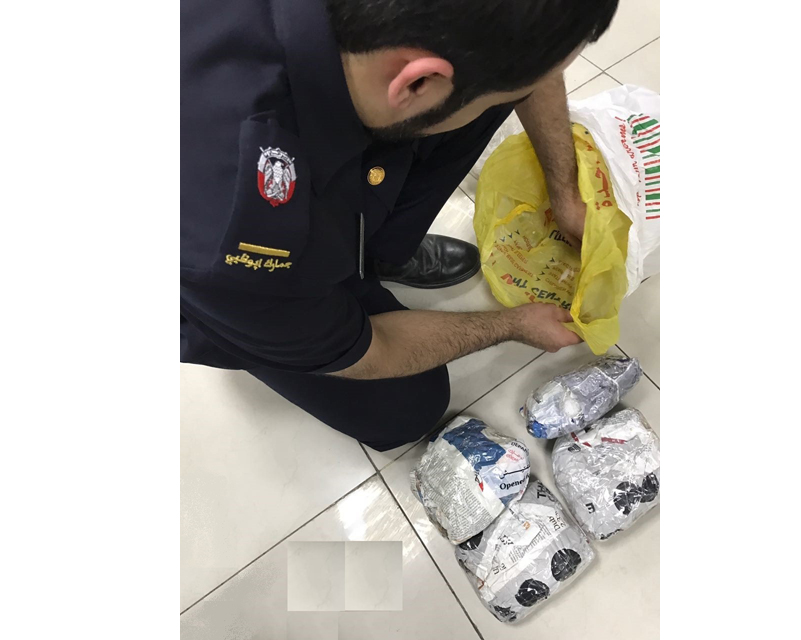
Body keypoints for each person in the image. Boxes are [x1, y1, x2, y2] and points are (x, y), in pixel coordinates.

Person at [180, 0, 619, 451]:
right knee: (408, 407)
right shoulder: (234, 240)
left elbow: (529, 58)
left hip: (337, 145)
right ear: (417, 81)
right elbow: (375, 352)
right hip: (233, 294)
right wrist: (512, 325)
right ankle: (325, 291)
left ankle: (377, 256)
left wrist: (564, 190)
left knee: (483, 89)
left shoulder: (387, 49)